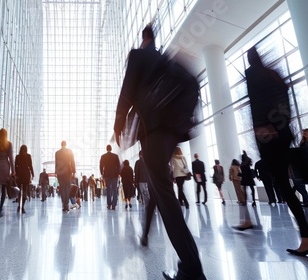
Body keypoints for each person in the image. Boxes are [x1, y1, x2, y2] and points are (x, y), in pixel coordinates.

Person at [113, 25, 205, 279]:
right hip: (171, 133)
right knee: (160, 189)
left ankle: (192, 268)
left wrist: (119, 121)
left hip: (153, 133)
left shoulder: (139, 55)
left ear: (144, 38)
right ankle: (188, 264)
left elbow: (127, 91)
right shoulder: (165, 61)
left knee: (165, 197)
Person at [246, 47, 308, 258]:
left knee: (283, 185)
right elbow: (284, 103)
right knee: (284, 185)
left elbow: (257, 104)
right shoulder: (274, 75)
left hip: (269, 136)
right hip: (283, 131)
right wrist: (280, 126)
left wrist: (263, 128)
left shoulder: (253, 74)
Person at [55, 140, 76, 212]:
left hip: (60, 173)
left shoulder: (57, 153)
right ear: (66, 144)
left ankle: (64, 204)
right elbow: (72, 161)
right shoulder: (70, 151)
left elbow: (56, 163)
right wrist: (74, 172)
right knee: (67, 188)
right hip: (68, 172)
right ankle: (66, 204)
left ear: (61, 145)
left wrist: (56, 172)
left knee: (62, 188)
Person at [100, 144, 121, 210]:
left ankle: (109, 205)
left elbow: (101, 166)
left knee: (108, 190)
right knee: (114, 190)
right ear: (111, 149)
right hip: (114, 174)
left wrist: (102, 174)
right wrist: (118, 173)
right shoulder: (115, 156)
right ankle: (114, 205)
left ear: (106, 149)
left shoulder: (103, 156)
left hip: (107, 174)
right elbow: (118, 165)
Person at [15, 145, 34, 214]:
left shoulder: (17, 156)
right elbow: (30, 165)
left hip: (19, 175)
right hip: (26, 175)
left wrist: (16, 174)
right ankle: (22, 207)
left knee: (20, 191)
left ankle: (19, 206)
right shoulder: (28, 156)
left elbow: (15, 166)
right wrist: (32, 173)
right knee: (25, 191)